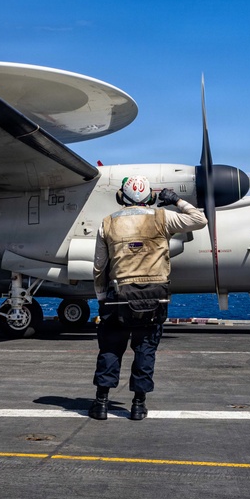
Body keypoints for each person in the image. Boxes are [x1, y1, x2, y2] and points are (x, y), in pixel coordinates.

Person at [89, 175, 207, 421]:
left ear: (121, 196)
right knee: (145, 350)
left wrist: (101, 299)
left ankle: (101, 404)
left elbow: (99, 267)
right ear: (151, 196)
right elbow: (199, 220)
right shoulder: (163, 218)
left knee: (110, 349)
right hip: (155, 299)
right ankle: (138, 405)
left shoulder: (107, 223)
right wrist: (177, 200)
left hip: (118, 297)